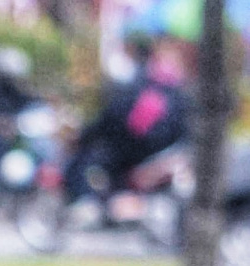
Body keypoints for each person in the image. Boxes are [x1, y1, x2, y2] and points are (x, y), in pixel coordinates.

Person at [67, 31, 190, 205]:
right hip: (159, 155)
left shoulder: (140, 81)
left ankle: (86, 202)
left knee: (86, 165)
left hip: (131, 153)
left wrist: (84, 136)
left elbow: (112, 117)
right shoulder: (178, 90)